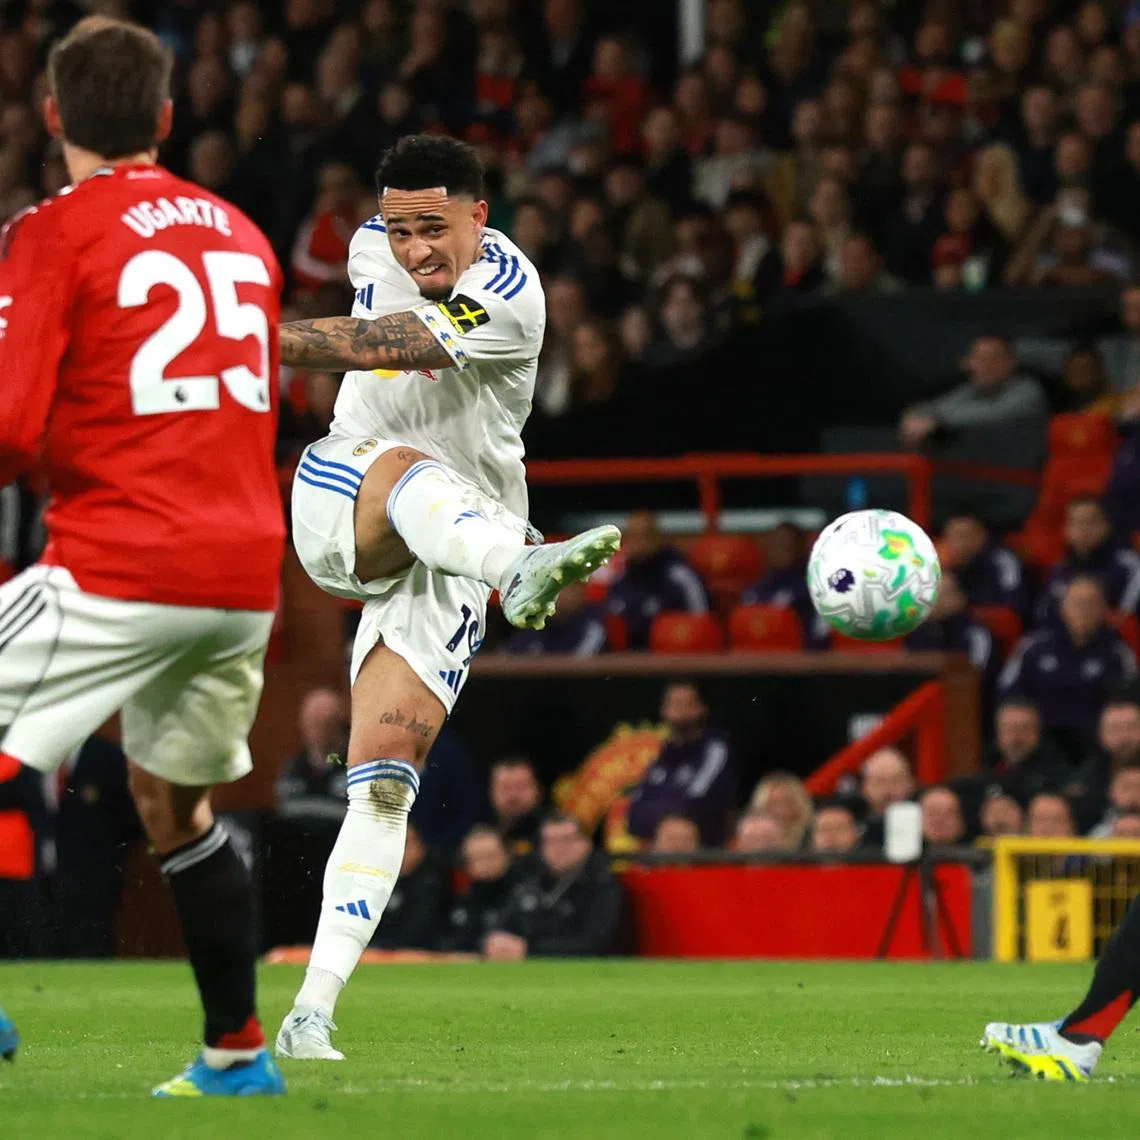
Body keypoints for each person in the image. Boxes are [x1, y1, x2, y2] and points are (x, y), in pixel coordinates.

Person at [274, 135, 621, 1061]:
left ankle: (311, 1012)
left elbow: (401, 342)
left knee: (386, 780)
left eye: (433, 228)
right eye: (399, 230)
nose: (414, 249)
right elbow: (376, 347)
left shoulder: (513, 291)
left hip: (455, 550)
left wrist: (256, 339)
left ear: (480, 217)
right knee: (408, 466)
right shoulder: (368, 250)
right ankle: (521, 566)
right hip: (347, 493)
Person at [0, 18, 286, 1097]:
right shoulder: (244, 235)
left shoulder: (54, 229)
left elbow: (10, 429)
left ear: (53, 115)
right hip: (241, 574)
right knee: (174, 807)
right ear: (166, 118)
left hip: (121, 557)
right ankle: (235, 1052)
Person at [999, 576, 1136, 749]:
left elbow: (1128, 701)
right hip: (1039, 741)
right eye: (1078, 603)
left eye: (1091, 603)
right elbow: (1008, 692)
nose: (1084, 610)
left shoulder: (1118, 655)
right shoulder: (1032, 649)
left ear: (1104, 609)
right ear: (1062, 608)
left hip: (1097, 744)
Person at [483, 813, 622, 960]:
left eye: (567, 839)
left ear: (586, 844)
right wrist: (494, 943)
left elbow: (594, 943)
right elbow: (501, 927)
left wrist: (530, 950)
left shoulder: (602, 885)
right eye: (551, 841)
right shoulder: (531, 883)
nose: (560, 848)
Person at [626, 681, 736, 848]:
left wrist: (661, 813)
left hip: (704, 849)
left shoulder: (714, 749)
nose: (679, 709)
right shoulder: (662, 753)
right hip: (661, 848)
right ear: (663, 709)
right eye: (673, 703)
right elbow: (635, 815)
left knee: (676, 830)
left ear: (701, 708)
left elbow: (697, 803)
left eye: (686, 703)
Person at [899, 335, 1048, 451]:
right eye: (977, 358)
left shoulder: (1028, 393)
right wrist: (916, 415)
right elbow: (934, 407)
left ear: (1011, 361)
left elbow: (991, 415)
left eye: (992, 359)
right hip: (979, 468)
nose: (983, 366)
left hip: (1019, 471)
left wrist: (936, 421)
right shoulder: (972, 390)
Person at [606, 510, 710, 650]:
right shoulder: (620, 581)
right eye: (632, 537)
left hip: (674, 656)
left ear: (658, 538)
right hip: (629, 659)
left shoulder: (679, 577)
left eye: (644, 536)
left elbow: (703, 625)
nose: (638, 543)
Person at [1036, 497, 1140, 624]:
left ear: (1107, 526)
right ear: (1066, 529)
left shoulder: (1129, 568)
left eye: (1091, 522)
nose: (1083, 530)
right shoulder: (1059, 570)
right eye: (1075, 523)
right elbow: (1043, 618)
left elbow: (1126, 621)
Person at [435, 825, 516, 954]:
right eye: (478, 858)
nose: (485, 864)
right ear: (467, 865)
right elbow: (444, 943)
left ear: (507, 857)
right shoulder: (460, 902)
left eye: (491, 856)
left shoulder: (523, 897)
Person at [275, 688, 349, 822]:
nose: (319, 731)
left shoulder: (354, 767)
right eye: (313, 723)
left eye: (326, 723)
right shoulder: (293, 767)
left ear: (339, 724)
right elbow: (285, 810)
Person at [939, 515, 1028, 615]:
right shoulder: (944, 561)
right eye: (951, 537)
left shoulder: (1001, 560)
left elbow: (1013, 605)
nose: (957, 543)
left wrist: (965, 609)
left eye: (962, 536)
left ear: (981, 536)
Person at [858, 747, 915, 849]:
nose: (888, 790)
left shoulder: (925, 824)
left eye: (896, 781)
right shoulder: (851, 822)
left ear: (910, 784)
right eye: (879, 782)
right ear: (864, 787)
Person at [489, 755, 545, 855]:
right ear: (491, 792)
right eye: (505, 788)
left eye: (521, 786)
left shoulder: (554, 834)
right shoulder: (479, 834)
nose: (513, 795)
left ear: (538, 791)